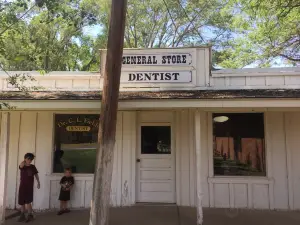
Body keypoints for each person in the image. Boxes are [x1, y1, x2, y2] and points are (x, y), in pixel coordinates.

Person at [17, 153, 40, 222]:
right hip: (22, 186)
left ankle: (30, 215)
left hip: (29, 187)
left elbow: (36, 174)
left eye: (31, 159)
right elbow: (20, 166)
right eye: (28, 159)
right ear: (25, 159)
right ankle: (22, 214)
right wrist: (24, 161)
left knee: (28, 201)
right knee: (22, 201)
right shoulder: (22, 166)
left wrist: (38, 182)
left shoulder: (33, 167)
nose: (29, 161)